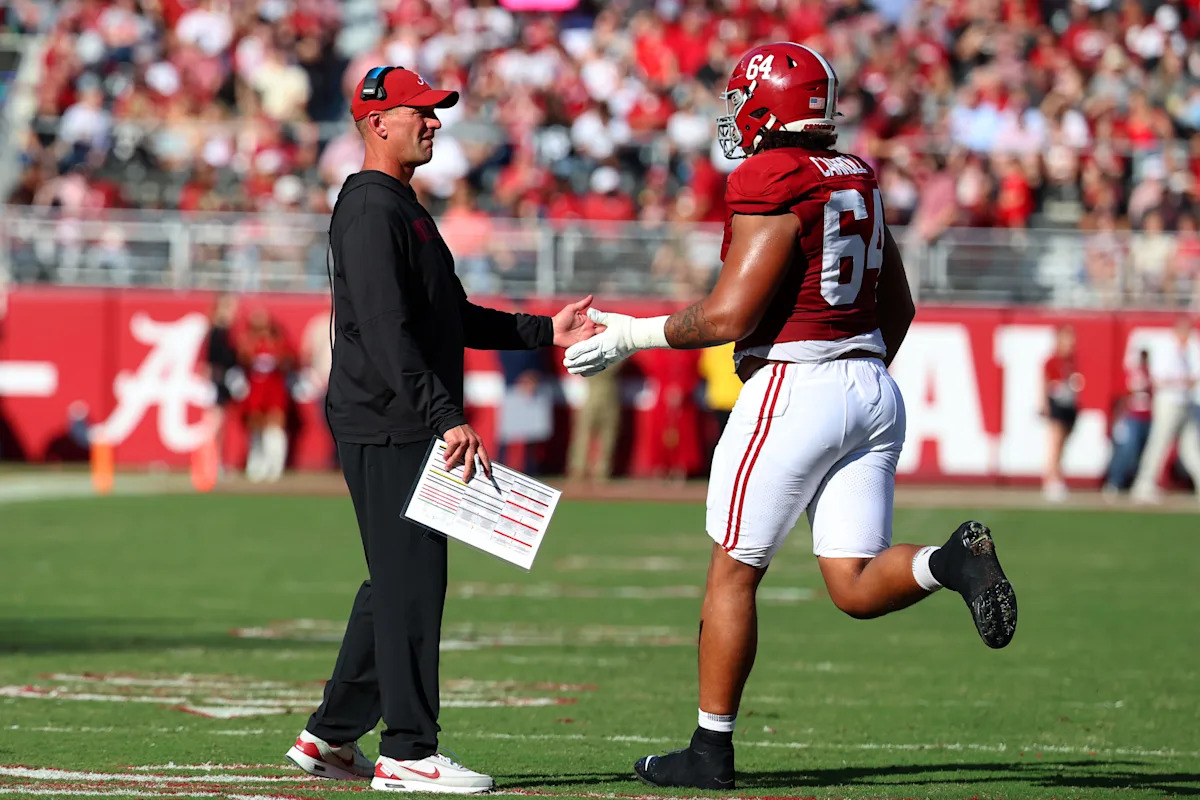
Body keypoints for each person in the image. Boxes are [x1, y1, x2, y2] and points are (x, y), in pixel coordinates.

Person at [562, 42, 1018, 790]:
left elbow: (729, 316)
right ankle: (951, 563)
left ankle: (710, 751)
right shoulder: (857, 173)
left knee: (732, 573)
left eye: (742, 99)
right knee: (854, 583)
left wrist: (629, 335)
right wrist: (851, 365)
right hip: (872, 386)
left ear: (767, 106)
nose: (734, 114)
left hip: (796, 386)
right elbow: (900, 306)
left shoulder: (771, 175)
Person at [283, 65, 600, 794]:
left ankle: (330, 736)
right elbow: (385, 330)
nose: (433, 123)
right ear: (376, 122)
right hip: (388, 422)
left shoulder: (400, 205)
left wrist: (544, 330)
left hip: (397, 419)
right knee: (413, 583)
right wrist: (445, 415)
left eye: (434, 111)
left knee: (395, 582)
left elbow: (449, 317)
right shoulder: (372, 208)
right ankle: (407, 750)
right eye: (419, 112)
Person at [1130, 318, 1200, 503]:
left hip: (1185, 403)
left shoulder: (1188, 352)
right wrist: (1183, 381)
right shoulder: (1166, 350)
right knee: (1159, 442)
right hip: (1168, 403)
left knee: (1191, 447)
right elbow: (1159, 379)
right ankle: (1144, 485)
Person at [238, 307, 295, 483]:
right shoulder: (248, 342)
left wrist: (278, 359)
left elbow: (290, 361)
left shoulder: (279, 342)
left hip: (274, 390)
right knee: (256, 428)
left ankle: (274, 465)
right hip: (256, 391)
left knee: (275, 428)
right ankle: (256, 465)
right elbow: (242, 360)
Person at [1041, 325, 1083, 502]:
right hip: (1056, 403)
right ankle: (1050, 478)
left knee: (1063, 444)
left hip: (1068, 405)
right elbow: (1045, 383)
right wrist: (1044, 405)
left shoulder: (1072, 361)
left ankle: (1057, 475)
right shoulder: (1052, 361)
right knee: (1055, 441)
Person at [1103, 348, 1153, 494]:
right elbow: (1121, 396)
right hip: (1132, 417)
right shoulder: (1130, 374)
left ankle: (1135, 483)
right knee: (1127, 450)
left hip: (1147, 418)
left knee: (1142, 453)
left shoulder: (1150, 373)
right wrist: (1118, 420)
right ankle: (1115, 481)